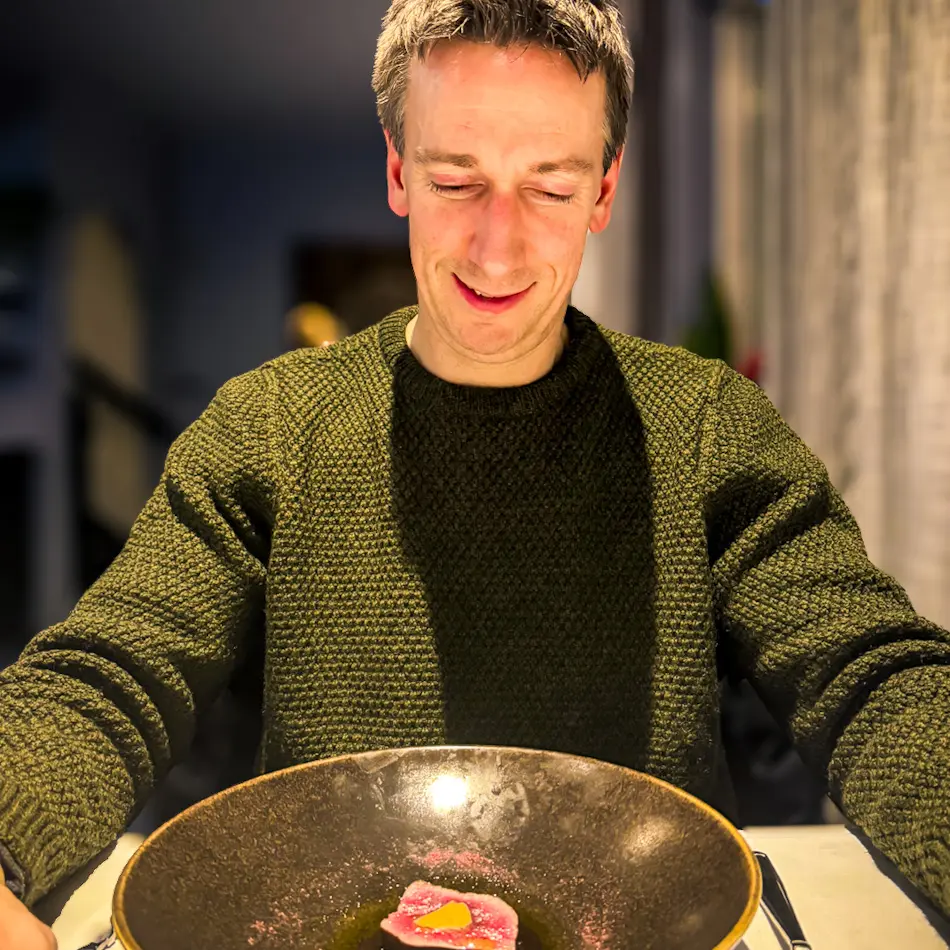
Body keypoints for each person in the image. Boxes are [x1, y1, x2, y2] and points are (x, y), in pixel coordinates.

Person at [4, 0, 950, 945]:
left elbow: (870, 675)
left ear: (605, 191)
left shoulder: (706, 425)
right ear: (398, 173)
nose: (498, 250)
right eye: (458, 181)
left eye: (549, 187)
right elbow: (107, 677)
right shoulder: (270, 427)